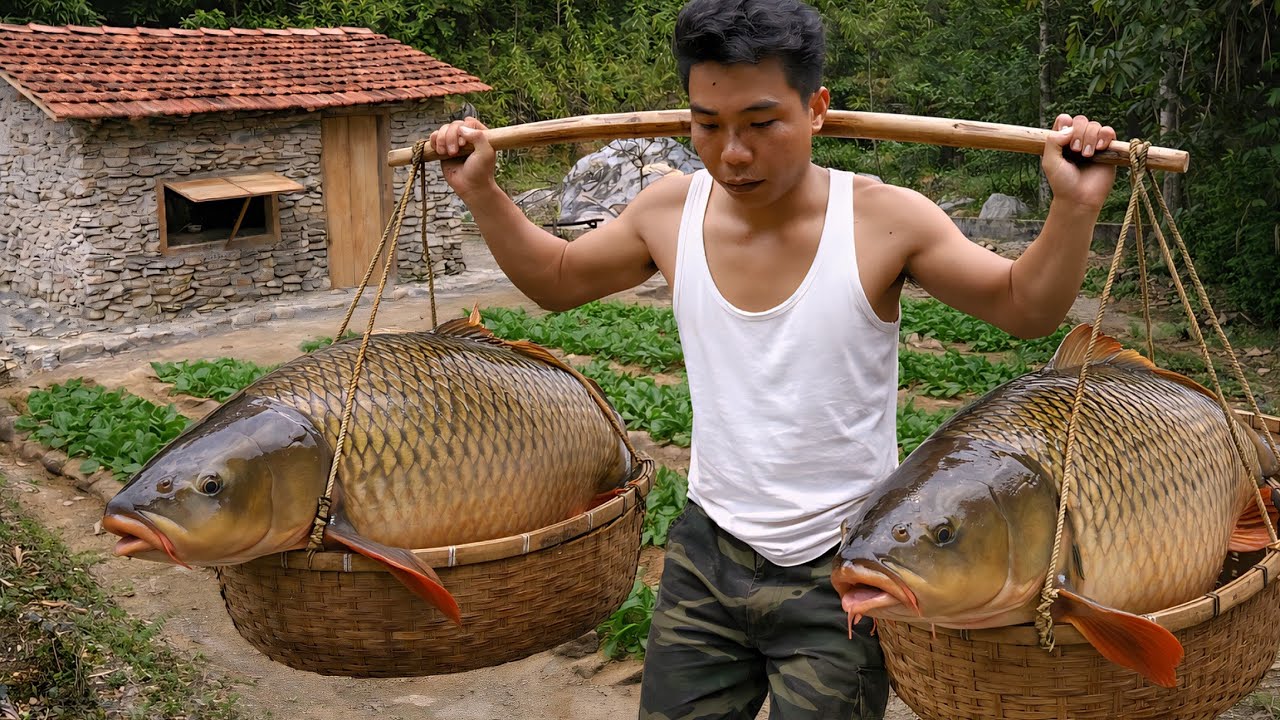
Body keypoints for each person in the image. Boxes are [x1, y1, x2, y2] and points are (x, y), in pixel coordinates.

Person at [429, 0, 1117, 717]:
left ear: (816, 108)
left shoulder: (883, 219)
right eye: (708, 125)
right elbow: (557, 280)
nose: (733, 153)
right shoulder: (668, 212)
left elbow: (1023, 307)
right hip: (708, 551)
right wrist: (481, 190)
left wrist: (1073, 207)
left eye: (761, 124)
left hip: (845, 562)